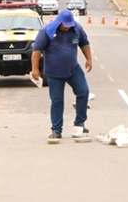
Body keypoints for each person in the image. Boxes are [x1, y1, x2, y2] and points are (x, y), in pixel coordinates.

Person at [31, 8, 94, 144]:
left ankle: (79, 124)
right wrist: (35, 69)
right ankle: (56, 130)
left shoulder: (76, 28)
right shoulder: (46, 31)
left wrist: (89, 59)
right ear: (59, 22)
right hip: (54, 72)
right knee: (57, 100)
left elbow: (84, 43)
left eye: (70, 24)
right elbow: (36, 51)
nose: (67, 27)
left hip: (73, 69)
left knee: (83, 92)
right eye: (65, 25)